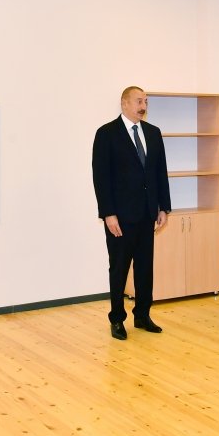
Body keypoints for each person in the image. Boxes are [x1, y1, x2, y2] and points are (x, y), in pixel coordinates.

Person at [92, 86, 171, 340]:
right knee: (119, 269)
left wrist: (164, 206)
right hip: (120, 217)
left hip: (147, 214)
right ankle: (117, 318)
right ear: (124, 103)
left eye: (145, 101)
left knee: (145, 269)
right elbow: (101, 177)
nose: (143, 106)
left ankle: (142, 315)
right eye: (139, 101)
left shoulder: (153, 132)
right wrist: (108, 213)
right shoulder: (106, 134)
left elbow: (160, 172)